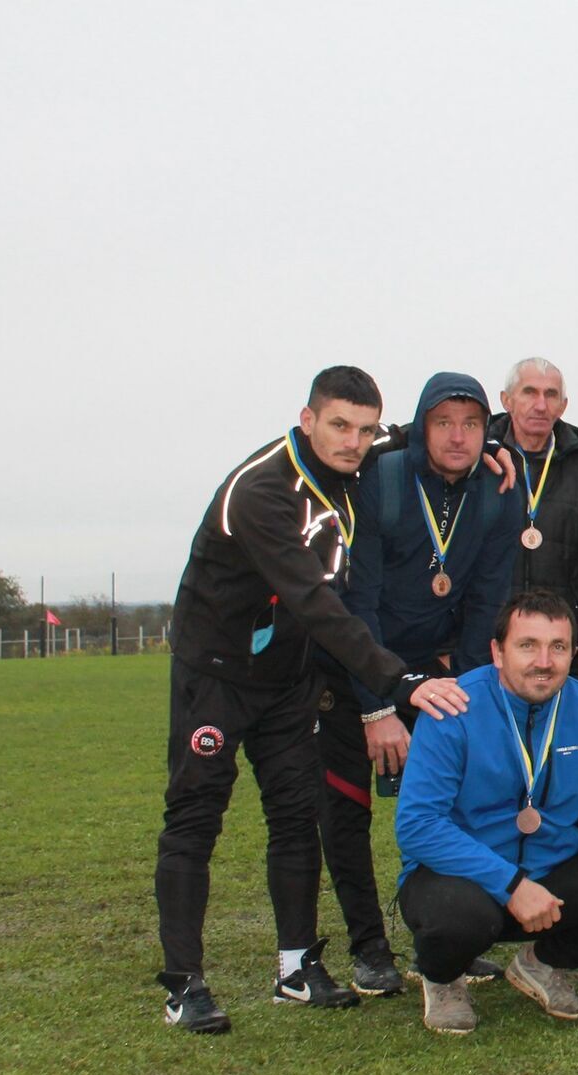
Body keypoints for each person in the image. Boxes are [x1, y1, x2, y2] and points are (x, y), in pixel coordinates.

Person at [155, 366, 467, 1033]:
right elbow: (317, 602)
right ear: (307, 419)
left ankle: (296, 967)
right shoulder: (262, 490)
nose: (354, 441)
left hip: (289, 678)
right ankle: (184, 984)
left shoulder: (353, 470)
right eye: (339, 426)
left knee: (296, 817)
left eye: (365, 428)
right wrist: (399, 682)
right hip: (216, 672)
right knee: (194, 819)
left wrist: (487, 439)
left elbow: (416, 441)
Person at [321, 371, 524, 996]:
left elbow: (488, 598)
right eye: (443, 423)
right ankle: (368, 948)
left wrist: (459, 693)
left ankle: (448, 940)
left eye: (470, 423)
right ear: (422, 426)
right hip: (360, 666)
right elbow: (362, 601)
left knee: (454, 809)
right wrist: (376, 705)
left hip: (441, 672)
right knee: (349, 808)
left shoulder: (497, 488)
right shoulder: (381, 480)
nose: (458, 436)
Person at [394, 590, 578, 1033]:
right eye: (527, 645)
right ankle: (443, 977)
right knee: (459, 918)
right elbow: (418, 825)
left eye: (557, 647)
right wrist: (510, 884)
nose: (543, 660)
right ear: (497, 652)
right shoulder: (453, 707)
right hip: (466, 879)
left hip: (551, 873)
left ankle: (541, 964)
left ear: (572, 653)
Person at [489, 356, 578, 695]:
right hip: (489, 639)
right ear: (506, 400)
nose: (540, 404)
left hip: (564, 643)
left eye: (550, 395)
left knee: (562, 742)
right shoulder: (481, 460)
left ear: (563, 406)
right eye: (529, 392)